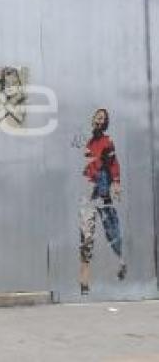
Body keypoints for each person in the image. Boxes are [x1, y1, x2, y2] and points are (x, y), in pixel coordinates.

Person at [79, 108, 126, 295]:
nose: (99, 121)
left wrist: (116, 183)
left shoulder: (107, 142)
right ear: (93, 120)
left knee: (111, 230)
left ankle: (121, 262)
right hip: (87, 193)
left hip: (102, 191)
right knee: (86, 236)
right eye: (98, 117)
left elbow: (114, 164)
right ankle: (84, 281)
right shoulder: (86, 141)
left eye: (103, 119)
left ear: (105, 123)